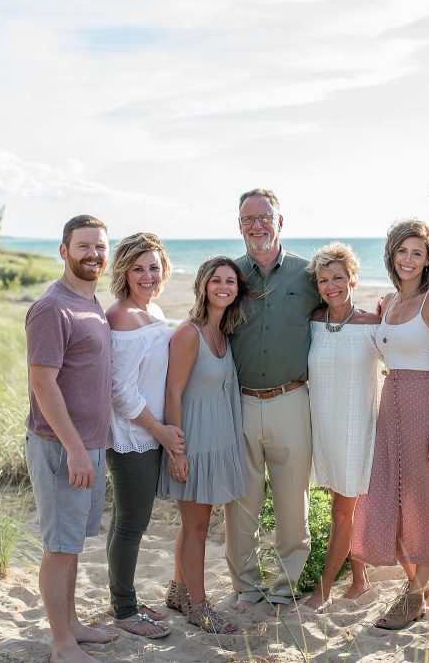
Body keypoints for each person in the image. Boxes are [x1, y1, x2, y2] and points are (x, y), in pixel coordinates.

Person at [350, 219, 429, 630]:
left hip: (423, 404)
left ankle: (415, 594)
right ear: (392, 254)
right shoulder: (389, 302)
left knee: (422, 498)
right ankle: (416, 584)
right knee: (391, 498)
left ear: (428, 258)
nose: (409, 259)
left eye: (417, 252)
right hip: (390, 406)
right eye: (402, 251)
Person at [24, 214, 119, 662]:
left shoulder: (91, 301)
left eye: (100, 247)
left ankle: (74, 625)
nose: (93, 255)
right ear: (64, 251)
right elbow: (43, 384)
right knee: (59, 547)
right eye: (83, 246)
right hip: (63, 448)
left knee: (72, 543)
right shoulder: (52, 307)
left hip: (89, 447)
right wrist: (75, 449)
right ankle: (61, 644)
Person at [225, 188, 319, 611]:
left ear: (281, 223)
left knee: (292, 502)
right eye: (248, 219)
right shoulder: (228, 275)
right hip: (240, 403)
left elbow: (341, 307)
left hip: (291, 400)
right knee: (240, 501)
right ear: (239, 225)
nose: (256, 225)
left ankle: (285, 588)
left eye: (265, 217)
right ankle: (245, 587)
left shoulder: (308, 273)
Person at [159, 256, 252, 633]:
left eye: (230, 281)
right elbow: (172, 393)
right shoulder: (189, 333)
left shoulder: (223, 333)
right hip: (193, 444)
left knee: (194, 522)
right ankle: (199, 607)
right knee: (197, 528)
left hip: (217, 444)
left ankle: (179, 589)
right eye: (216, 280)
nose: (224, 287)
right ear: (203, 285)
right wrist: (177, 451)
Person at [105, 232, 185, 639]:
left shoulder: (152, 310)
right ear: (124, 272)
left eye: (153, 267)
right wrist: (160, 431)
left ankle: (125, 597)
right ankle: (124, 611)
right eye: (138, 268)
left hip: (151, 434)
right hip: (132, 436)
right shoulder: (120, 315)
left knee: (127, 520)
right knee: (131, 525)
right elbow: (120, 392)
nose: (147, 275)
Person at [297, 242, 381, 611]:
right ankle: (360, 580)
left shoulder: (372, 323)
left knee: (342, 512)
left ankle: (324, 589)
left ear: (353, 280)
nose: (331, 286)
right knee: (344, 506)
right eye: (323, 280)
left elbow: (406, 356)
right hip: (325, 426)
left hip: (357, 427)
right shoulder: (313, 322)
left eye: (338, 278)